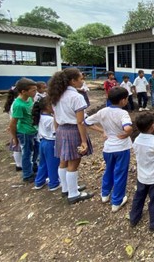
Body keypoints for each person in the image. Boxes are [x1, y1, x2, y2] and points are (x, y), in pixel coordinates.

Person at [48, 68, 94, 204]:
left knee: (63, 161)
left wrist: (57, 133)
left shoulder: (56, 95)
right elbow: (80, 121)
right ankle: (73, 194)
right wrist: (84, 141)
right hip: (73, 130)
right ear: (73, 81)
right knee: (74, 162)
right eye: (80, 78)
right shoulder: (76, 97)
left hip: (61, 130)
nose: (82, 80)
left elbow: (55, 117)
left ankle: (66, 188)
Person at [84, 87, 133, 212]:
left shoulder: (102, 112)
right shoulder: (123, 113)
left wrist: (103, 131)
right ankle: (117, 201)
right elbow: (127, 128)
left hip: (108, 148)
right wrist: (128, 133)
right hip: (121, 148)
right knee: (120, 173)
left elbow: (86, 122)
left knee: (109, 170)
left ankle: (105, 194)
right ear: (123, 101)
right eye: (127, 98)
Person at [130, 113, 154, 230]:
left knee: (139, 196)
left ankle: (134, 217)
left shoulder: (136, 140)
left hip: (141, 175)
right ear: (152, 126)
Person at [9, 78, 38, 182]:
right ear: (23, 91)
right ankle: (27, 174)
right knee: (27, 153)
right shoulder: (18, 105)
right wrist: (14, 138)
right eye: (33, 90)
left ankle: (34, 167)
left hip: (33, 130)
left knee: (36, 150)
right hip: (24, 132)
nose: (35, 92)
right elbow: (13, 124)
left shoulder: (29, 99)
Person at [32, 97, 61, 191]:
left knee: (43, 163)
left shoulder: (40, 116)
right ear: (48, 107)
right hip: (51, 143)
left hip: (42, 142)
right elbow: (55, 132)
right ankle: (54, 183)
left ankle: (39, 181)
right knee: (53, 163)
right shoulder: (50, 119)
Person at [4, 86, 22, 171]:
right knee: (17, 146)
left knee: (17, 147)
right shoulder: (16, 104)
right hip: (17, 127)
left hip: (14, 127)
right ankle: (19, 164)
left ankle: (18, 164)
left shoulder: (13, 103)